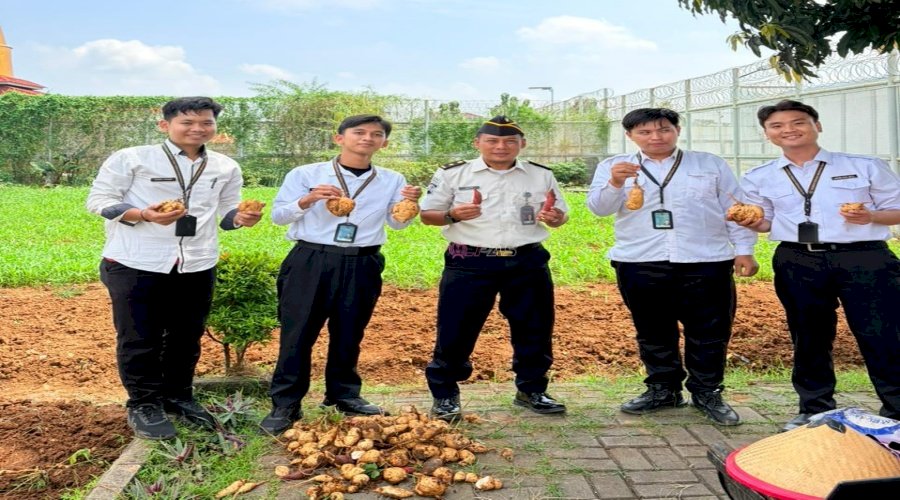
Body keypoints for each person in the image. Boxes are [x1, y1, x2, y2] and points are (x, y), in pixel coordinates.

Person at [86, 97, 263, 440]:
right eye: (187, 122)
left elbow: (227, 213)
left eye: (206, 122)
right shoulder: (132, 158)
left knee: (186, 337)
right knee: (140, 338)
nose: (198, 129)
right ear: (165, 125)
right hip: (137, 261)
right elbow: (99, 201)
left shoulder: (225, 167)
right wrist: (144, 214)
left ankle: (179, 396)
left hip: (197, 263)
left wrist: (242, 218)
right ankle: (144, 404)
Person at [734, 99, 900, 431]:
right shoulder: (759, 177)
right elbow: (764, 222)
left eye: (798, 122)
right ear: (767, 134)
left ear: (817, 126)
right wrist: (751, 223)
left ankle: (896, 410)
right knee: (808, 334)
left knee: (882, 332)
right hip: (798, 259)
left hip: (865, 257)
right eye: (777, 126)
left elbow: (896, 209)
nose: (788, 130)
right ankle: (814, 407)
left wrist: (870, 216)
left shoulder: (864, 165)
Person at [587, 108, 758, 426]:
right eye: (645, 132)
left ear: (677, 130)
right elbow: (598, 208)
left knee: (709, 331)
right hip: (640, 260)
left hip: (705, 260)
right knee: (652, 329)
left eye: (664, 129)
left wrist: (745, 251)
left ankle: (707, 392)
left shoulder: (709, 164)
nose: (656, 137)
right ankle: (663, 389)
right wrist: (614, 182)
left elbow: (736, 208)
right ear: (630, 136)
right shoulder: (614, 166)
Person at [260, 114, 421, 434]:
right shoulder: (306, 174)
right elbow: (278, 216)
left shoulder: (392, 179)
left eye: (376, 134)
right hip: (311, 259)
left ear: (384, 143)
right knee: (298, 332)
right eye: (359, 132)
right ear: (339, 138)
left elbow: (398, 224)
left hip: (363, 261)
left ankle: (344, 394)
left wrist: (409, 205)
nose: (367, 138)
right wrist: (308, 199)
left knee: (350, 331)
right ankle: (286, 403)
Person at [419, 115, 569, 421]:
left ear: (522, 144)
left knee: (534, 328)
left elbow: (560, 214)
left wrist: (556, 218)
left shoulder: (540, 175)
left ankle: (532, 389)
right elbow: (427, 215)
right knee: (456, 328)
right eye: (492, 140)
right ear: (478, 143)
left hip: (526, 260)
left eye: (510, 141)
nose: (501, 146)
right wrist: (452, 215)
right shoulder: (454, 173)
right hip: (469, 260)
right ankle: (445, 394)